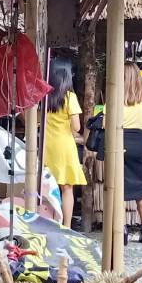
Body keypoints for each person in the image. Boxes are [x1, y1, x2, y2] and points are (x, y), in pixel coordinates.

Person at [41, 58, 86, 229]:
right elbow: (76, 126)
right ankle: (66, 226)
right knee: (67, 188)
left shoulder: (44, 97)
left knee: (46, 186)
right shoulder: (70, 97)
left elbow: (37, 120)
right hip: (65, 147)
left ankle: (48, 221)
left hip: (47, 146)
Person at [121, 61, 142, 245]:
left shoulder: (117, 96)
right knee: (141, 187)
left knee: (119, 187)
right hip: (141, 143)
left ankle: (122, 229)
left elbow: (106, 123)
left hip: (121, 142)